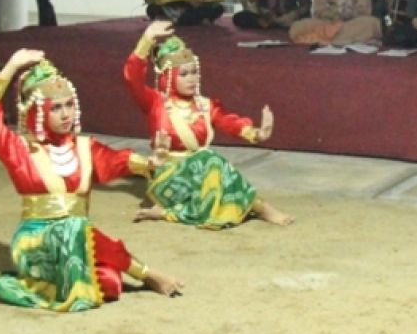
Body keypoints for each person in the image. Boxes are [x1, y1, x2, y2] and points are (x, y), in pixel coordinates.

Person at [0, 49, 184, 311]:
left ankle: (75, 281)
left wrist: (152, 162)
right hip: (37, 242)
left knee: (109, 283)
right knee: (73, 227)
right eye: (56, 108)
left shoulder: (84, 147)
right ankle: (147, 273)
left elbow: (117, 160)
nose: (66, 115)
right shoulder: (20, 149)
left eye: (69, 105)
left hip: (77, 239)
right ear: (38, 111)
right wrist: (11, 66)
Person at [124, 22, 294, 228]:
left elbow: (229, 122)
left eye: (194, 72)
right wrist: (147, 39)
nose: (192, 79)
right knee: (209, 158)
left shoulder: (205, 105)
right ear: (168, 76)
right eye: (184, 74)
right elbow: (132, 78)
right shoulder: (155, 103)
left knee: (209, 162)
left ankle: (172, 213)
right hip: (169, 179)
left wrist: (257, 133)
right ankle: (258, 206)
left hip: (200, 177)